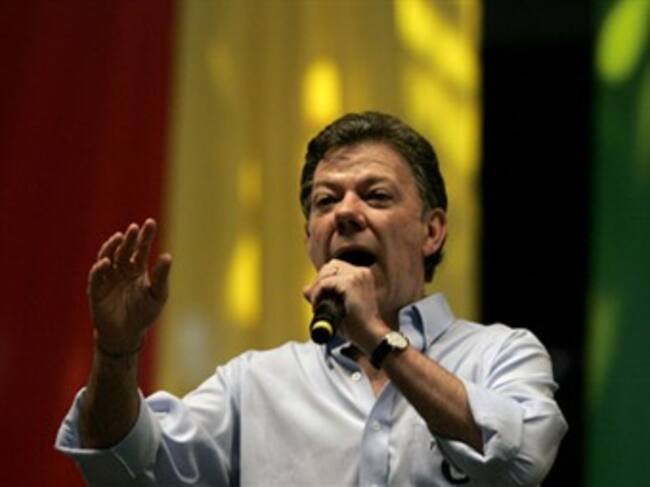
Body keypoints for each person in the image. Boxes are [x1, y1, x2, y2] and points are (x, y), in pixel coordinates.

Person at [56, 112, 567, 486]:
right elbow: (123, 467)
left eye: (376, 196)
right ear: (309, 239)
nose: (346, 213)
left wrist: (379, 339)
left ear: (431, 231)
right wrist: (116, 352)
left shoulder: (500, 354)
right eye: (327, 201)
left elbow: (521, 460)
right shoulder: (254, 386)